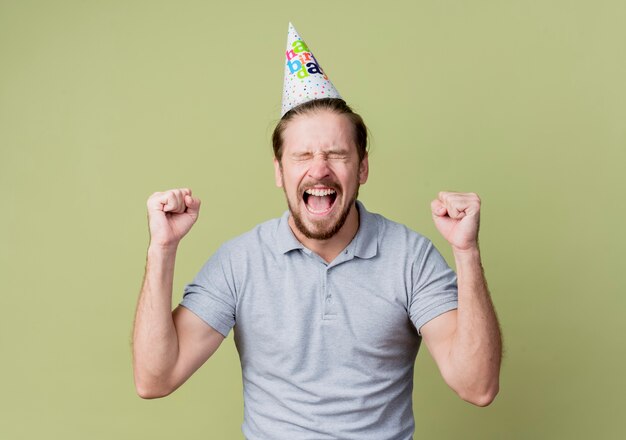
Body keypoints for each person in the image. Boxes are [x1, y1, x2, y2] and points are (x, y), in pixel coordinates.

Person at [132, 24, 502, 440]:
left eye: (337, 154)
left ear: (362, 167)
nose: (319, 168)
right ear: (279, 170)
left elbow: (478, 386)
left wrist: (466, 251)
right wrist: (161, 248)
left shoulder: (409, 257)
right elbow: (154, 379)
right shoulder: (241, 261)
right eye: (303, 155)